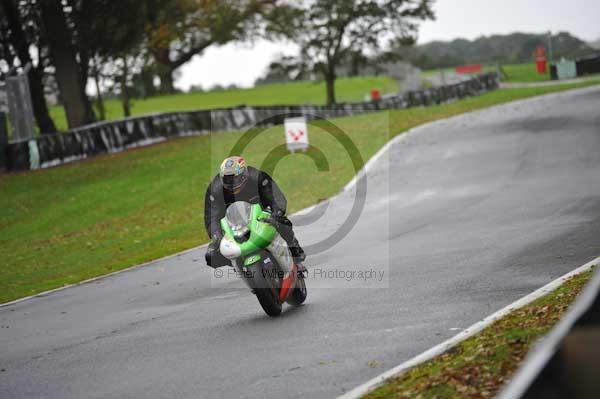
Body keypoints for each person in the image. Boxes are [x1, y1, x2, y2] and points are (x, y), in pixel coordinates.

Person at [204, 156, 306, 271]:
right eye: (228, 180)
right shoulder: (215, 190)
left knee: (282, 223)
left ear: (244, 175)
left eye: (236, 179)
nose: (232, 184)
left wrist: (275, 213)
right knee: (212, 255)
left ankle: (295, 256)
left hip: (261, 215)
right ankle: (238, 263)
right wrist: (216, 234)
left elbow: (277, 198)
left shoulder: (259, 178)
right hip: (233, 223)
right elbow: (211, 216)